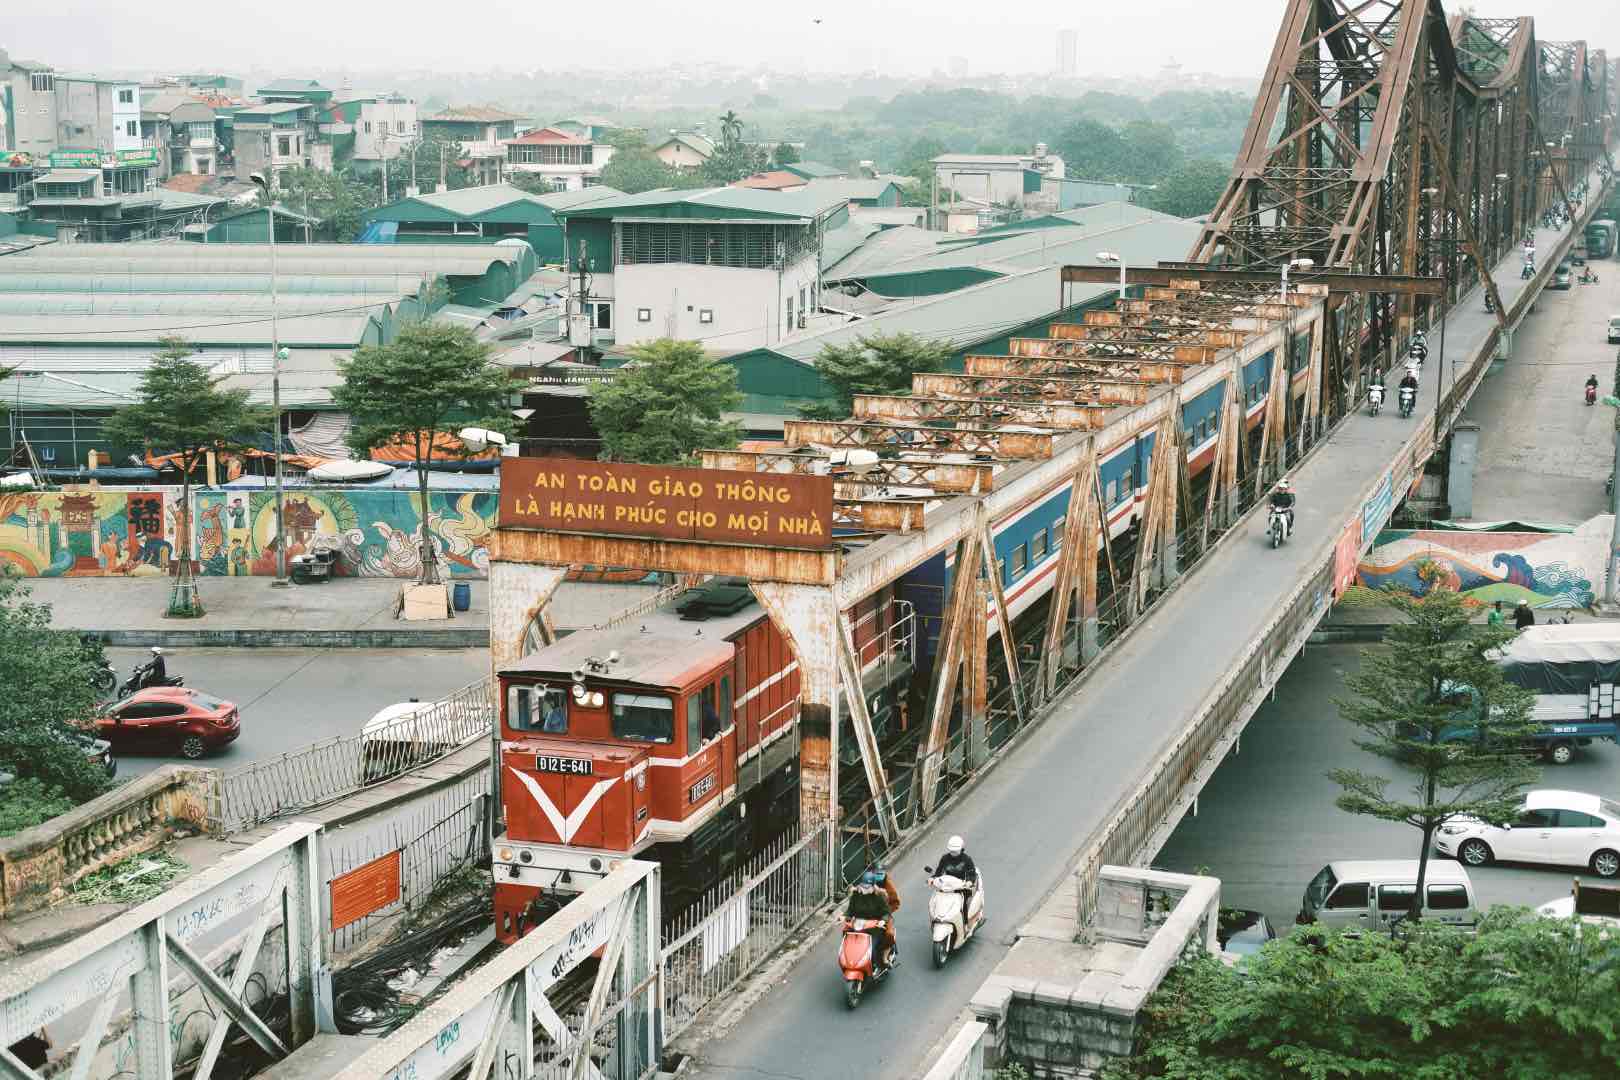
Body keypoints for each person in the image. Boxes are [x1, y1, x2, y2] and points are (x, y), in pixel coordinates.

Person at [847, 867, 900, 967]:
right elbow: (850, 910)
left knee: (888, 934)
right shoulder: (856, 895)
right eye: (863, 886)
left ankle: (883, 957)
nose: (864, 889)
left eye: (868, 887)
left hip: (876, 925)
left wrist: (883, 921)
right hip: (862, 923)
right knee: (848, 932)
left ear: (873, 886)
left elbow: (887, 911)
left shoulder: (880, 896)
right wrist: (844, 916)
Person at [936, 835, 979, 921]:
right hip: (947, 886)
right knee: (937, 899)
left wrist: (969, 882)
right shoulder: (945, 859)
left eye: (955, 851)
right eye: (951, 851)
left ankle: (965, 923)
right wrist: (933, 879)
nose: (953, 853)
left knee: (964, 904)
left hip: (962, 886)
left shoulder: (966, 859)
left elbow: (972, 873)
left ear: (961, 849)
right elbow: (939, 872)